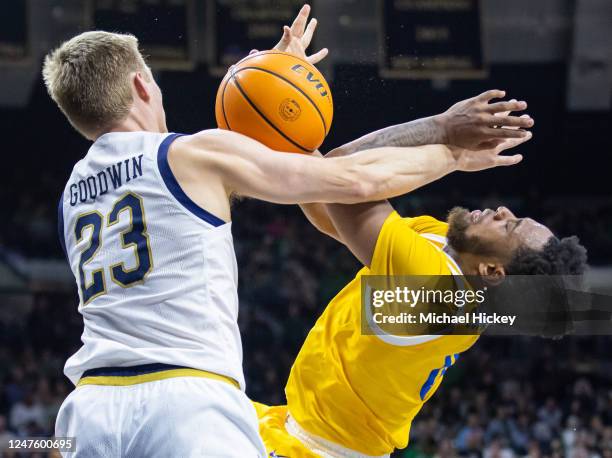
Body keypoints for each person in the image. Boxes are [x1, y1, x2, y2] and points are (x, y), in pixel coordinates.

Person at [43, 5, 534, 457]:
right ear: (143, 87)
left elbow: (333, 187)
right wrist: (450, 146)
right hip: (186, 401)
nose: (503, 210)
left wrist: (277, 89)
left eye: (511, 227)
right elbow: (351, 181)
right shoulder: (192, 157)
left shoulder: (73, 194)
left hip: (91, 409)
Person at [249, 26, 587, 455]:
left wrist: (445, 135)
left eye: (509, 227)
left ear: (492, 272)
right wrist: (281, 84)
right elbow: (324, 200)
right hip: (287, 426)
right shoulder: (443, 247)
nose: (503, 211)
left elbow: (343, 177)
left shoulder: (434, 294)